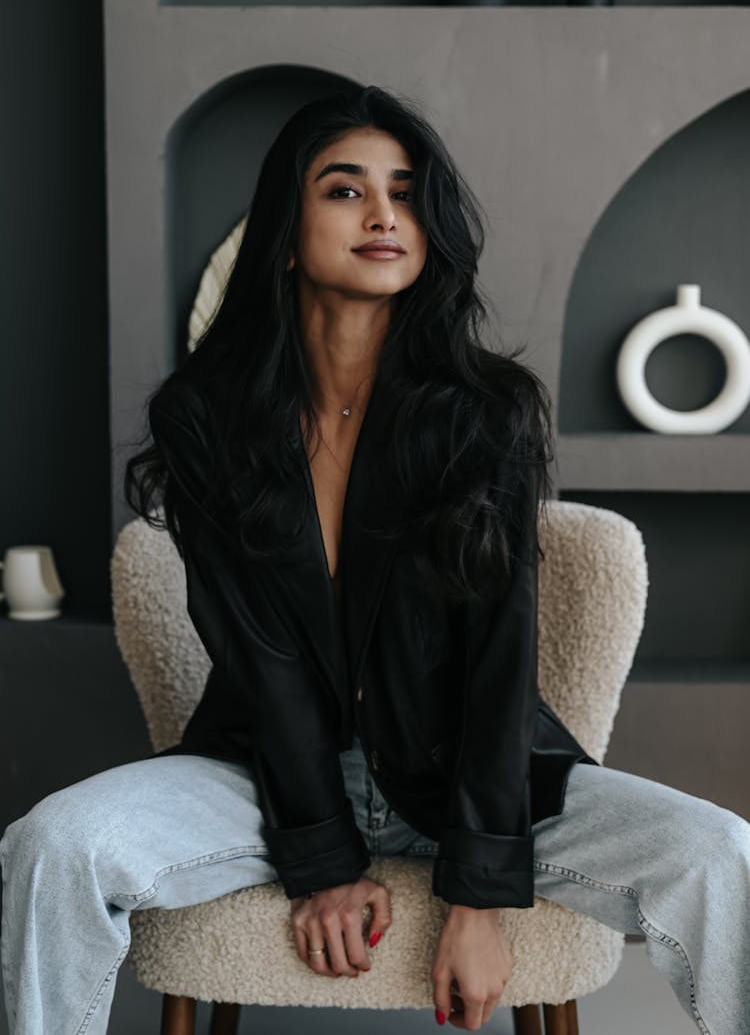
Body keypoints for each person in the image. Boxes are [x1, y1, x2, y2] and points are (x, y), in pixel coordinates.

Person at [1, 86, 749, 1035]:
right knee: (53, 842)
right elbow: (258, 655)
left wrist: (479, 898)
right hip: (263, 776)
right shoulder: (207, 420)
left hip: (476, 778)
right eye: (345, 190)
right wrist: (322, 859)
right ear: (284, 227)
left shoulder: (487, 411)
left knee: (722, 853)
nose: (385, 214)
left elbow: (498, 654)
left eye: (404, 192)